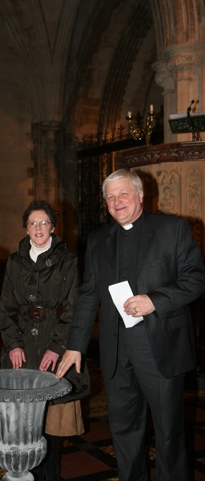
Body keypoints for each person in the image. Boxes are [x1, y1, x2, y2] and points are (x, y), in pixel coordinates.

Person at [56, 169, 205, 481]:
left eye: (123, 194)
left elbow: (196, 280)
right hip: (117, 352)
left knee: (168, 435)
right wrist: (74, 346)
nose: (116, 201)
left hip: (159, 348)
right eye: (110, 197)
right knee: (124, 432)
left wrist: (155, 300)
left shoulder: (172, 229)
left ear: (140, 195)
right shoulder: (98, 240)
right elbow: (86, 297)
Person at [0, 200, 89, 481]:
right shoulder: (15, 262)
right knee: (24, 426)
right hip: (23, 349)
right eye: (32, 223)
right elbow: (7, 307)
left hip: (55, 349)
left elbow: (75, 309)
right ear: (26, 228)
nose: (38, 228)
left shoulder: (69, 261)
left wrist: (57, 347)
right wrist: (13, 344)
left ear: (53, 226)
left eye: (43, 223)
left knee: (52, 426)